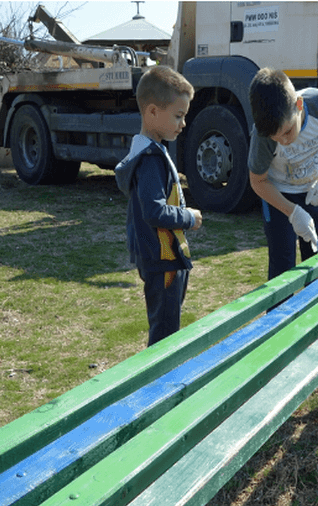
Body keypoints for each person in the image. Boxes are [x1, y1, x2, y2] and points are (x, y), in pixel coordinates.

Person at [115, 65, 203, 346]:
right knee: (164, 338)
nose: (183, 123)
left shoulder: (152, 150)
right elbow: (154, 211)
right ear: (152, 112)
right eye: (178, 116)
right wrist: (188, 217)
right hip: (162, 260)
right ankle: (158, 387)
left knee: (167, 326)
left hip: (165, 258)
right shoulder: (150, 159)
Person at [248, 68, 318, 281]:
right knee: (282, 269)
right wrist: (292, 212)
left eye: (287, 131)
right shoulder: (262, 134)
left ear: (299, 105)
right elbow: (258, 181)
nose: (284, 141)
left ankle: (317, 313)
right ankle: (281, 313)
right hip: (278, 197)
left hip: (315, 191)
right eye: (276, 138)